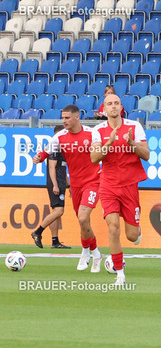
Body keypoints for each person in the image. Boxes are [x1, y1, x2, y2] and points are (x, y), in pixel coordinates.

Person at [32, 105, 102, 272]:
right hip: (75, 185)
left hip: (93, 182)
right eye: (63, 118)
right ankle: (96, 253)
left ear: (77, 117)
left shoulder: (92, 133)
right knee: (83, 222)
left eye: (67, 118)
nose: (64, 121)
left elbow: (101, 153)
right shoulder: (60, 136)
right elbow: (45, 153)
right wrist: (38, 157)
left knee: (83, 218)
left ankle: (85, 252)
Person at [90, 94, 150, 285]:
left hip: (130, 185)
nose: (113, 106)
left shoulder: (135, 126)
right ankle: (120, 274)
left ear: (121, 107)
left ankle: (136, 229)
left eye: (116, 103)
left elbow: (146, 155)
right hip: (108, 185)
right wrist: (108, 144)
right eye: (110, 104)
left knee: (131, 236)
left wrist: (132, 144)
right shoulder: (98, 130)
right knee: (113, 227)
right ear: (104, 109)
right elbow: (94, 158)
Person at [31, 125, 71, 249]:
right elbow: (51, 167)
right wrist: (55, 185)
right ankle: (38, 232)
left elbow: (62, 168)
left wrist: (68, 184)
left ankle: (55, 241)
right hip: (56, 184)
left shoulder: (62, 148)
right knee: (59, 211)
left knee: (56, 213)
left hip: (60, 183)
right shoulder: (54, 147)